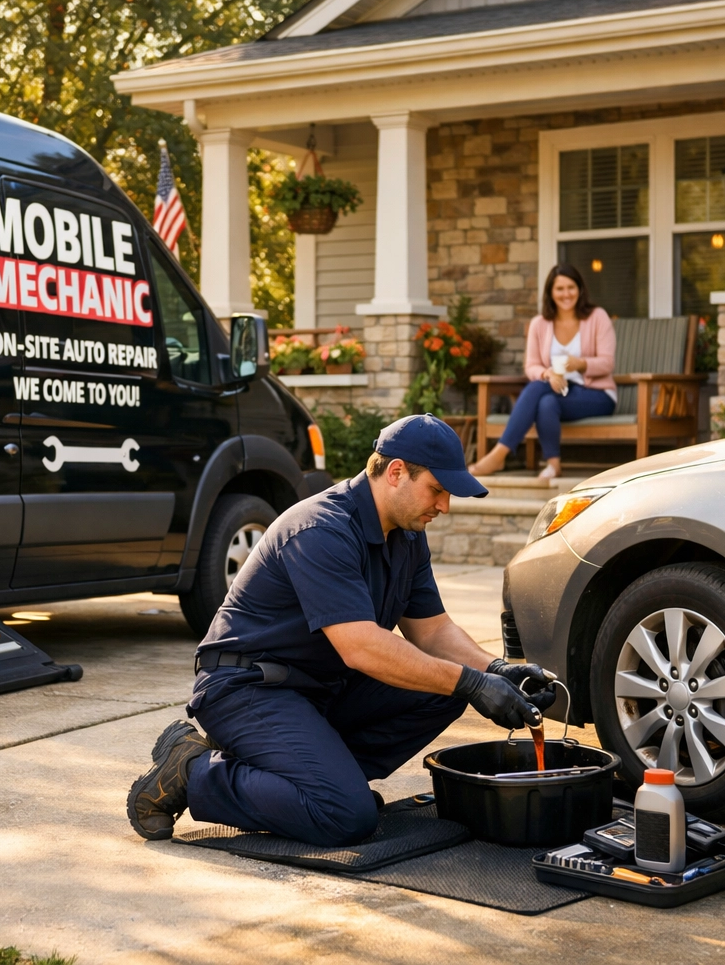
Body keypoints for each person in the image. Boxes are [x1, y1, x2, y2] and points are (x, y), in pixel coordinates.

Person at [126, 414, 556, 847]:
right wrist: (472, 682)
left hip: (319, 689)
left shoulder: (407, 536)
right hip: (246, 688)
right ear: (395, 473)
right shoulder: (321, 529)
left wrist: (498, 671)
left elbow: (434, 631)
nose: (444, 506)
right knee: (346, 817)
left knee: (447, 688)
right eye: (438, 490)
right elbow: (361, 648)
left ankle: (321, 780)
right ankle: (193, 770)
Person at [471, 264, 617, 480]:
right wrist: (548, 374)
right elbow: (531, 366)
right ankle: (554, 465)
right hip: (558, 390)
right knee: (545, 400)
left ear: (580, 289)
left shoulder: (597, 317)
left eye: (571, 287)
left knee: (538, 390)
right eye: (559, 289)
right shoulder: (540, 323)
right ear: (550, 292)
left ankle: (499, 454)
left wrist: (580, 364)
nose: (566, 294)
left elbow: (607, 363)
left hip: (596, 394)